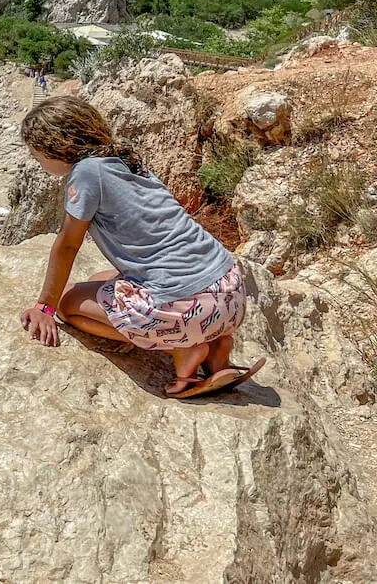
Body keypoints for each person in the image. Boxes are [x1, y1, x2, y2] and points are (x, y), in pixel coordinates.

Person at [18, 96, 263, 399]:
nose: (39, 163)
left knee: (69, 306)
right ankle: (217, 347)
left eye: (38, 156)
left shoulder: (85, 173)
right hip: (231, 293)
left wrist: (45, 306)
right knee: (98, 280)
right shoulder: (124, 158)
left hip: (192, 307)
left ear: (53, 146)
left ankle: (182, 350)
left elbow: (68, 244)